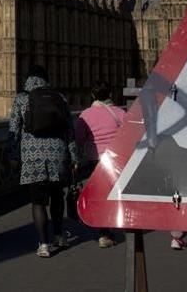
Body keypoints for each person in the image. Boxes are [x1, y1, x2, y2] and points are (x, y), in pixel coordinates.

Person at [8, 66, 79, 258]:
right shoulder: (60, 98)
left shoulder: (21, 99)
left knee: (38, 202)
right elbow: (69, 132)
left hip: (33, 158)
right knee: (57, 197)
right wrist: (74, 157)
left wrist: (13, 156)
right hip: (58, 156)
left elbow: (13, 130)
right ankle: (59, 235)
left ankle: (43, 244)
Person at [74, 82, 125, 248]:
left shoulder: (86, 115)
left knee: (101, 194)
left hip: (95, 159)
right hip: (115, 159)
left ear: (93, 96)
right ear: (110, 94)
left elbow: (79, 139)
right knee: (114, 193)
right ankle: (112, 226)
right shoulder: (120, 112)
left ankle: (104, 233)